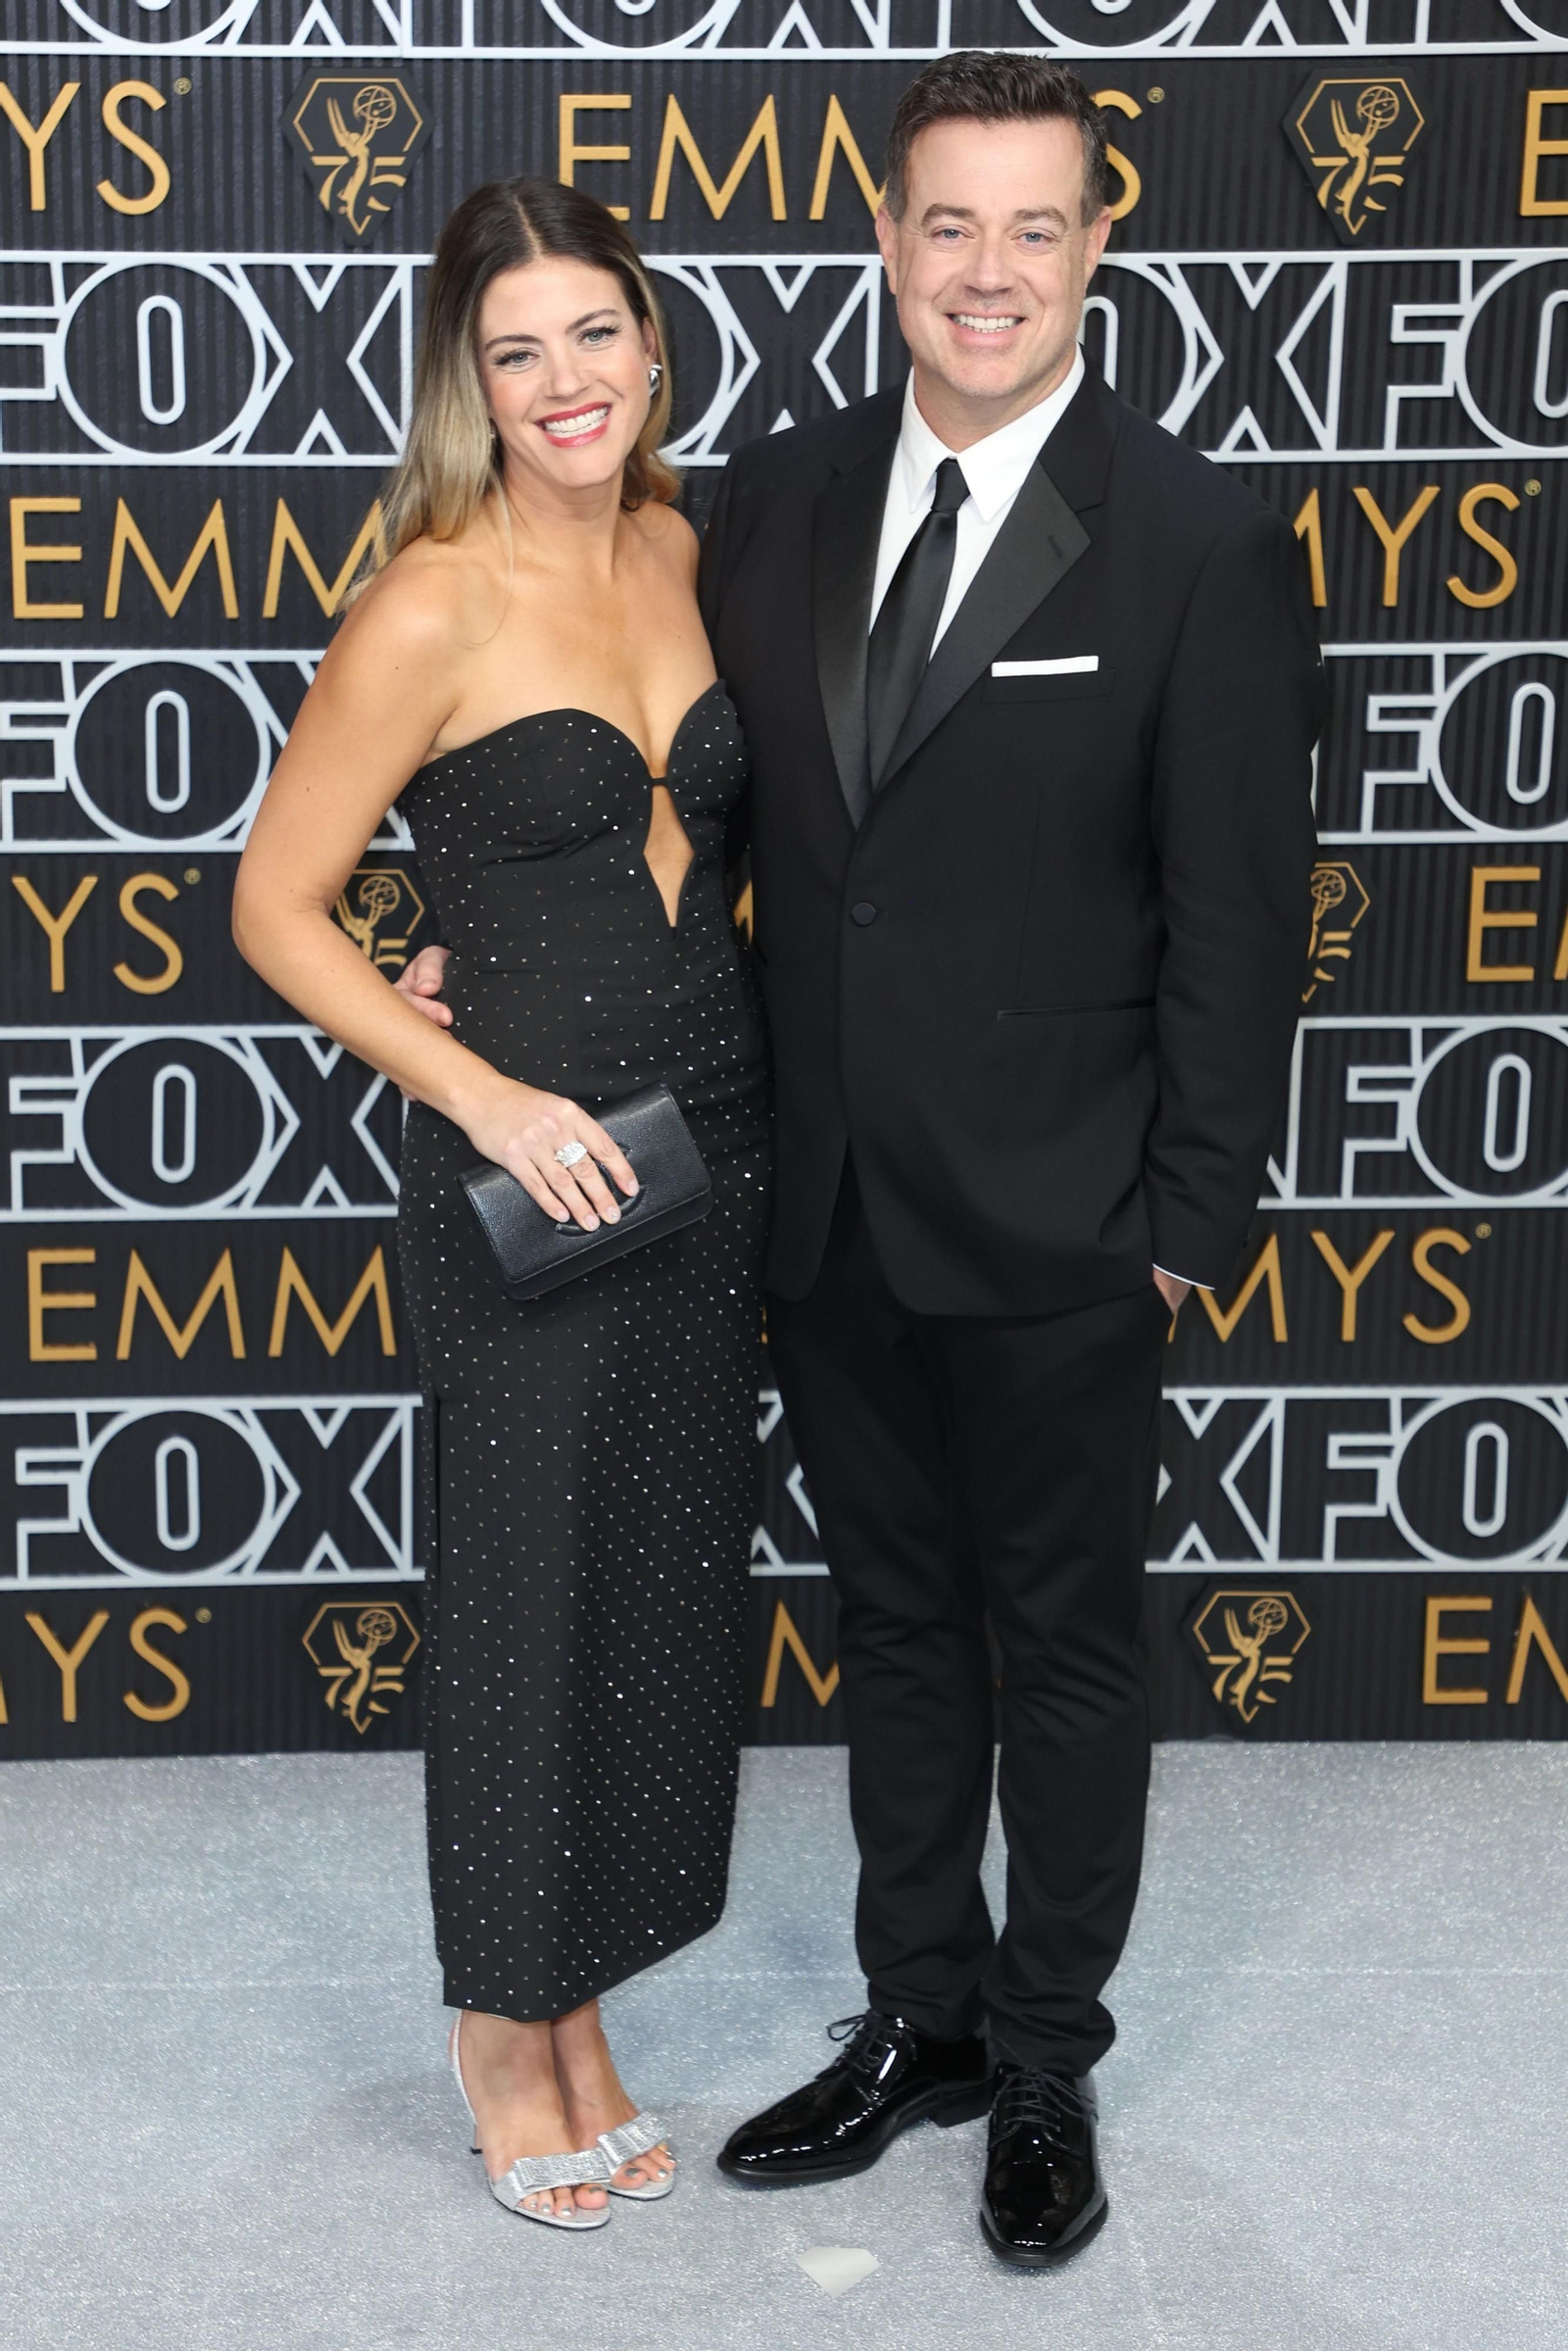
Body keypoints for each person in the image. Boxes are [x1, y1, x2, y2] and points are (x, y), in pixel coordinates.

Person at [696, 51, 1320, 2266]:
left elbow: (1240, 912)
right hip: (832, 1202)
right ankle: (917, 2015)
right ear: (884, 237)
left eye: (1030, 228)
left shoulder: (1192, 536)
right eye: (945, 224)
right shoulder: (766, 501)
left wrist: (1187, 1225)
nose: (985, 272)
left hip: (1071, 1224)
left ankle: (1044, 2051)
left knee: (1057, 1643)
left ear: (1092, 248)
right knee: (890, 1635)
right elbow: (701, 822)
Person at [233, 177, 769, 2231]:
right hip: (518, 1172)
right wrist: (473, 1074)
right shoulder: (428, 603)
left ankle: (586, 2003)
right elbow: (275, 907)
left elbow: (717, 850)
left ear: (652, 343)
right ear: (471, 379)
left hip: (712, 1142)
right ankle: (496, 2025)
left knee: (649, 1594)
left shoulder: (682, 550)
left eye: (594, 335)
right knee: (523, 1599)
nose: (565, 382)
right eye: (515, 349)